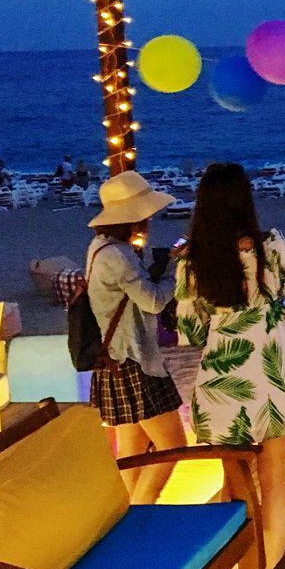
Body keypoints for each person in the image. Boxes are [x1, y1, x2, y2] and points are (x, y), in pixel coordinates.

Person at [176, 163, 285, 569]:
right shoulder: (270, 245)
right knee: (274, 480)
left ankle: (239, 567)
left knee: (236, 482)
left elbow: (190, 330)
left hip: (224, 379)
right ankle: (269, 568)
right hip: (273, 374)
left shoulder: (191, 260)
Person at [86, 171, 187, 504]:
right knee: (173, 445)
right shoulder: (119, 255)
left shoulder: (99, 248)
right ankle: (142, 513)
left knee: (131, 452)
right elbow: (154, 301)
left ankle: (130, 515)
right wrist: (175, 269)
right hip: (134, 362)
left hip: (114, 360)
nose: (149, 220)